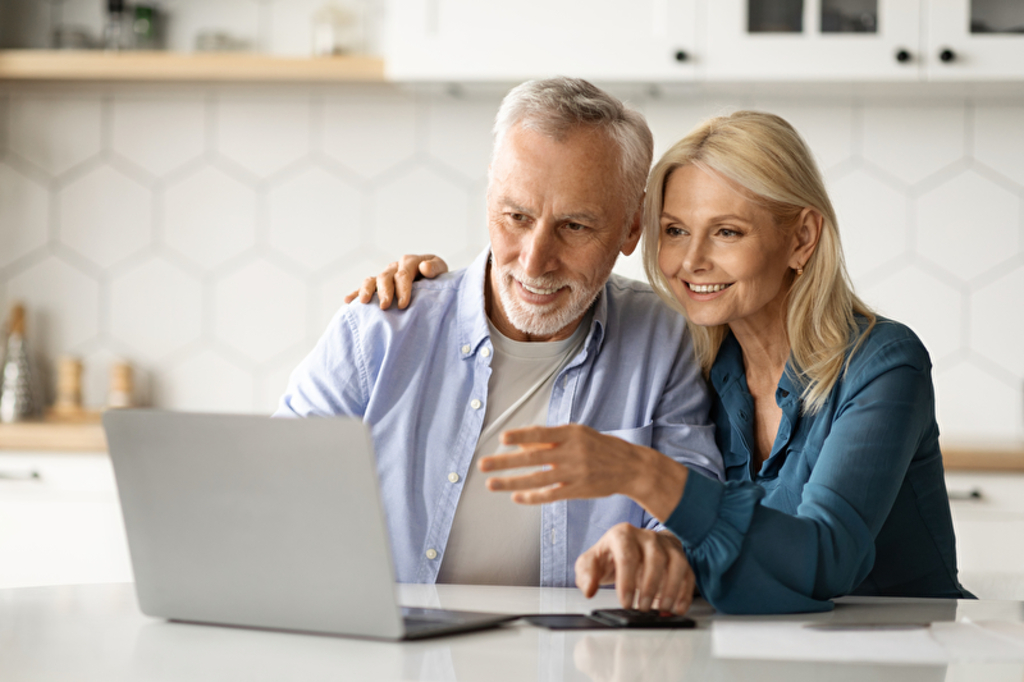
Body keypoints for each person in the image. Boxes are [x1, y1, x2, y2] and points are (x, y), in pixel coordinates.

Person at [367, 111, 971, 614]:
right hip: (752, 649)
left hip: (898, 649)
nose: (691, 261)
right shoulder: (699, 355)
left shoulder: (884, 365)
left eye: (727, 232)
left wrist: (643, 475)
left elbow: (826, 558)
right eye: (675, 230)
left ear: (802, 239)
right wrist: (443, 296)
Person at [275, 77, 721, 601]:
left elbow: (694, 512)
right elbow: (273, 496)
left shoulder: (666, 341)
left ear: (630, 228)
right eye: (516, 217)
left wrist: (664, 553)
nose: (534, 261)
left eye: (575, 226)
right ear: (489, 196)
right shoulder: (377, 328)